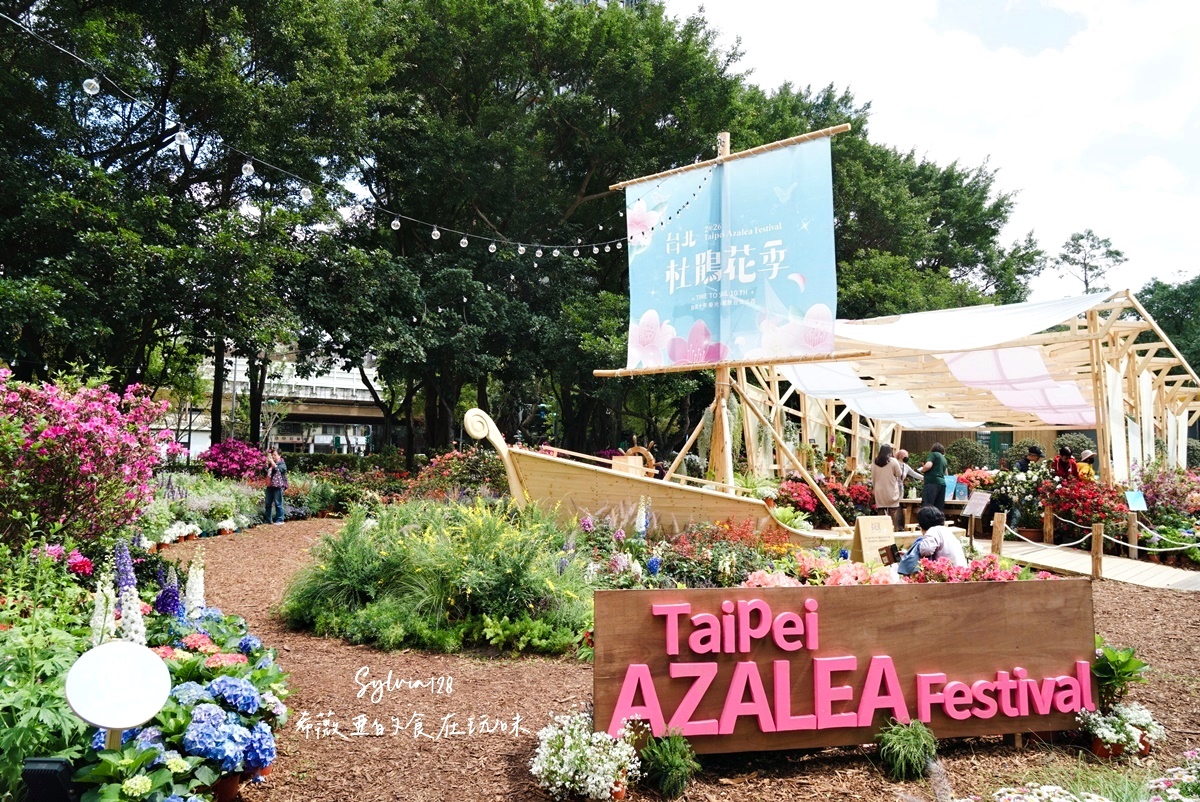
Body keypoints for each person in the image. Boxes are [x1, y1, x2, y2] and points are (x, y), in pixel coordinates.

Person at [870, 444, 904, 529]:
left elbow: (873, 476)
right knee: (893, 514)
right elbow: (899, 474)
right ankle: (893, 531)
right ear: (890, 451)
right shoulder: (893, 461)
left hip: (879, 491)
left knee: (881, 514)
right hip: (891, 490)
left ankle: (881, 531)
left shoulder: (874, 462)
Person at [917, 442, 948, 511]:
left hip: (932, 482)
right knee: (938, 508)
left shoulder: (933, 454)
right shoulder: (944, 459)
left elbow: (928, 465)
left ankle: (926, 518)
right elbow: (946, 473)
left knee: (927, 507)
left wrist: (922, 470)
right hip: (942, 484)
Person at [264, 448, 288, 525]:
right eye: (272, 455)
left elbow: (278, 469)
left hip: (278, 487)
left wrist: (272, 462)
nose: (273, 456)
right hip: (270, 486)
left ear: (279, 455)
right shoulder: (271, 464)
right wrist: (266, 465)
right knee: (268, 503)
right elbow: (266, 473)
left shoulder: (282, 464)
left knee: (278, 503)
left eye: (275, 455)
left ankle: (280, 519)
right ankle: (268, 519)